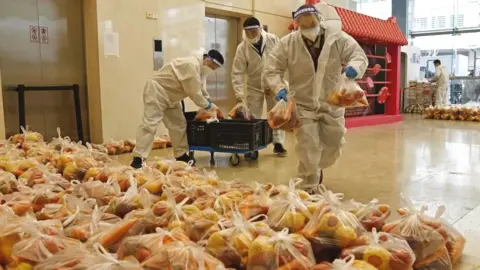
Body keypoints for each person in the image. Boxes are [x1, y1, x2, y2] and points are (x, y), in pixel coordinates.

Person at [263, 3, 367, 192]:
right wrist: (279, 87)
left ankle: (317, 167)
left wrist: (355, 67)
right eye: (303, 24)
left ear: (319, 20)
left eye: (311, 23)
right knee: (307, 148)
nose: (308, 28)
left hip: (331, 103)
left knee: (334, 143)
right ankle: (309, 187)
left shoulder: (337, 39)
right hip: (303, 105)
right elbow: (272, 68)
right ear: (296, 25)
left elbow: (357, 54)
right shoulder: (288, 43)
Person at [130, 50, 224, 168]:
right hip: (157, 91)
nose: (211, 69)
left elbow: (201, 90)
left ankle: (180, 155)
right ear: (207, 59)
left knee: (179, 124)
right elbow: (195, 93)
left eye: (214, 68)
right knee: (150, 125)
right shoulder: (191, 64)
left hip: (172, 97)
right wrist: (209, 107)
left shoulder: (200, 70)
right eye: (211, 66)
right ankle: (138, 158)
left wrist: (211, 102)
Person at [231, 17, 287, 155]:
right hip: (254, 86)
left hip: (273, 84)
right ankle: (252, 143)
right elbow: (237, 72)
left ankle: (278, 143)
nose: (251, 35)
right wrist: (239, 95)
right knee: (252, 115)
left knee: (276, 113)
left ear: (260, 28)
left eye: (254, 31)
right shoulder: (242, 48)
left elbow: (283, 62)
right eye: (248, 32)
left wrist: (281, 85)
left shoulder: (273, 40)